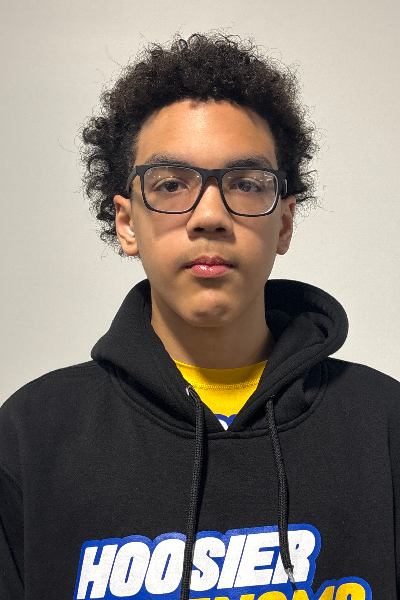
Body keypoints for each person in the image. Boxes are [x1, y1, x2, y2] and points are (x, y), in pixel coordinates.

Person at [0, 33, 399, 600]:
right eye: (170, 184)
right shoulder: (32, 436)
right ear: (126, 223)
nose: (210, 215)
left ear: (284, 223)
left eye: (246, 184)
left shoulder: (384, 424)